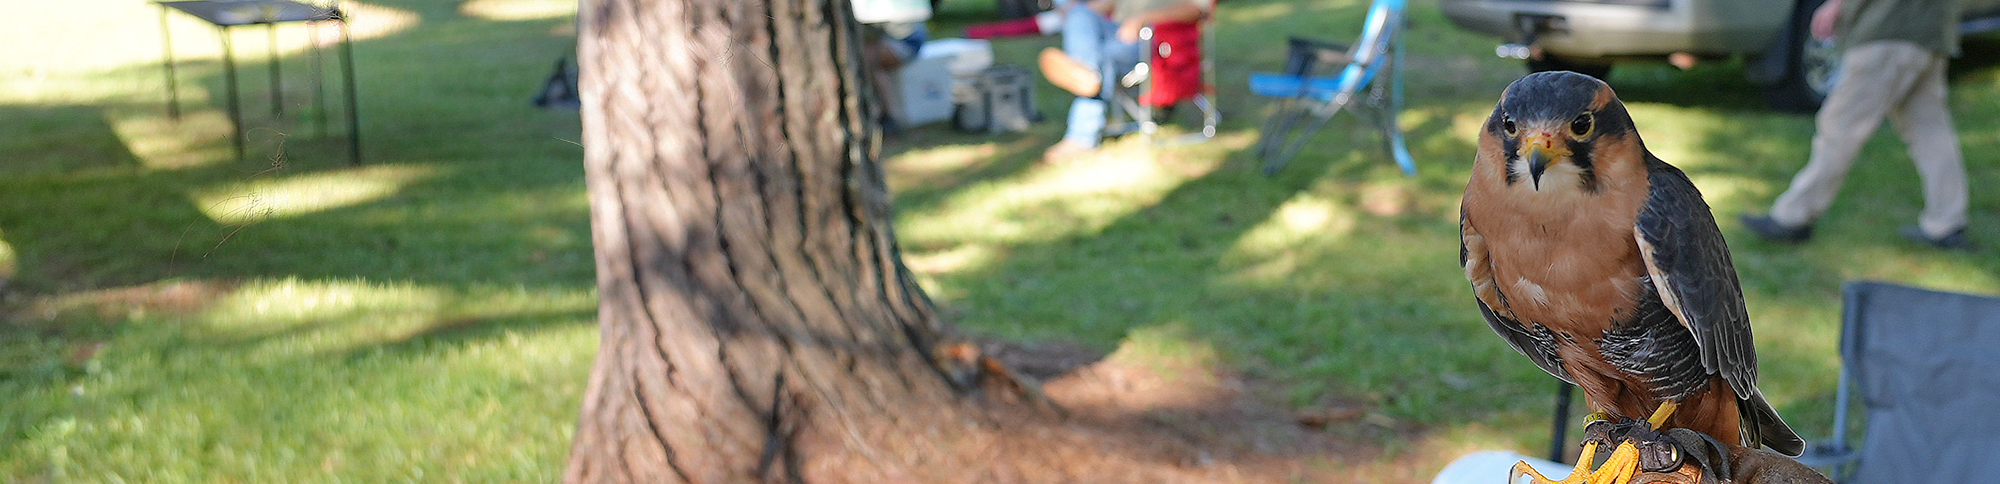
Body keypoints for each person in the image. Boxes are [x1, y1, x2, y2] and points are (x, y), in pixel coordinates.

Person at [1740, 0, 1969, 249]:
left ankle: (1792, 217)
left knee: (1840, 127)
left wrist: (1836, 4)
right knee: (1931, 132)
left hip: (1888, 32)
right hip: (1930, 32)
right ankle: (1948, 223)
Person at [1038, 0, 1212, 162]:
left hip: (1155, 39)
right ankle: (1088, 73)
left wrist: (1141, 19)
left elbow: (1196, 8)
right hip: (1117, 31)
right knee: (1079, 13)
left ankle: (1082, 131)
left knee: (1103, 58)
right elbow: (1109, 4)